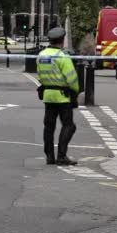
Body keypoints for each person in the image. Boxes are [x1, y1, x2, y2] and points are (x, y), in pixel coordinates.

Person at [36, 27, 79, 166]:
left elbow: (40, 76)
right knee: (69, 125)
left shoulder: (41, 55)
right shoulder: (62, 56)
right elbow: (72, 78)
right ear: (62, 40)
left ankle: (49, 156)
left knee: (49, 127)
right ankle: (61, 155)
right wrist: (75, 91)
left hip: (48, 95)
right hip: (62, 96)